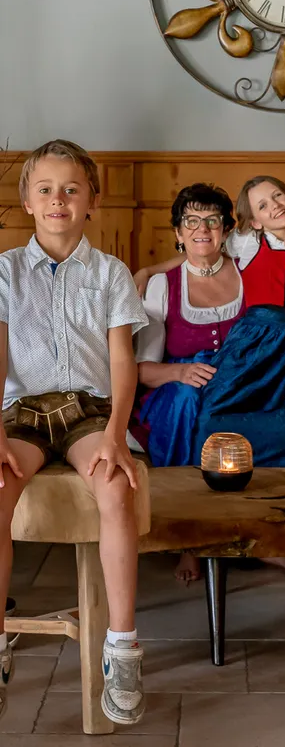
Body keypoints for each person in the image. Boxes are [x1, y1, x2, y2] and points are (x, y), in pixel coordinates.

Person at [131, 179, 285, 576]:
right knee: (191, 403)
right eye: (191, 221)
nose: (202, 229)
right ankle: (192, 538)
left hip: (251, 374)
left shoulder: (242, 262)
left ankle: (274, 534)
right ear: (178, 232)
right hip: (178, 383)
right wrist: (180, 370)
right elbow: (140, 368)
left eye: (213, 220)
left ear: (228, 229)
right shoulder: (164, 286)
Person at [0, 140, 148, 725]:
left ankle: (122, 645)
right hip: (23, 410)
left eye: (71, 189)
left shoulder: (110, 272)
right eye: (46, 189)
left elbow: (121, 361)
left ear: (92, 200)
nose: (58, 199)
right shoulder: (5, 270)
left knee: (115, 487)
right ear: (27, 201)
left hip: (89, 409)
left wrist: (115, 432)